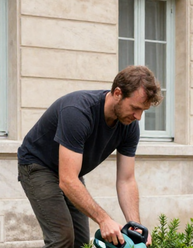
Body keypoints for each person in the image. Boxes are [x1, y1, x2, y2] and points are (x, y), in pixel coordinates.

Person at [17, 66, 162, 248]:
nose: (138, 117)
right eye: (135, 108)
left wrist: (136, 228)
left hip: (71, 174)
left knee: (80, 242)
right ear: (117, 93)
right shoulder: (78, 111)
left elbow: (126, 180)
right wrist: (104, 219)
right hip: (37, 166)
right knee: (62, 238)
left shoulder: (129, 125)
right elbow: (68, 180)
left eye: (143, 110)